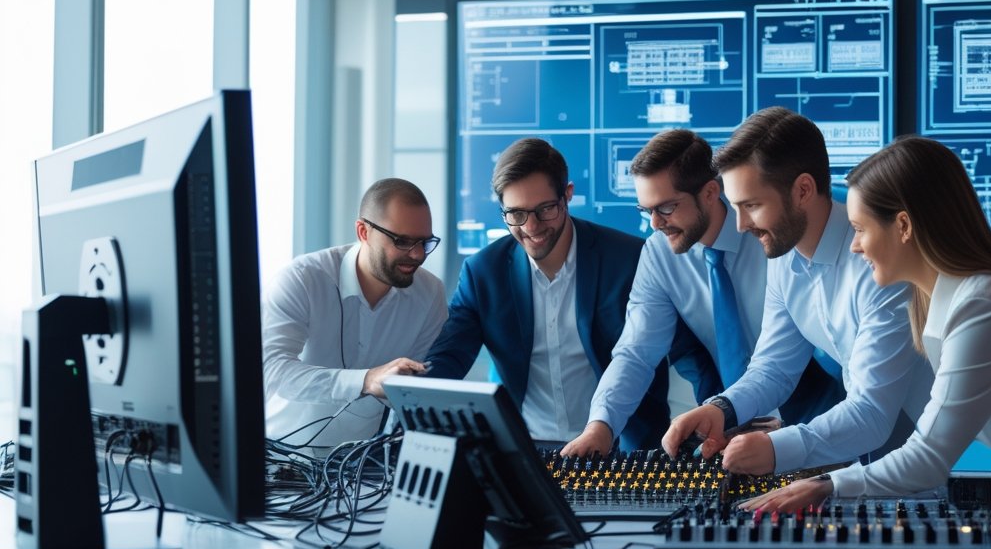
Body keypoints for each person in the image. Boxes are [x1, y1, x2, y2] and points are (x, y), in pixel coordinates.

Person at [742, 136, 991, 513]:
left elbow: (928, 457)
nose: (855, 246)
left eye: (860, 229)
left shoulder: (983, 304)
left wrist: (826, 485)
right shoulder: (945, 296)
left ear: (904, 226)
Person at [661, 107, 936, 475]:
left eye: (752, 206)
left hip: (947, 451)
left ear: (803, 190)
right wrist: (721, 409)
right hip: (883, 460)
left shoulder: (879, 261)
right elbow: (774, 367)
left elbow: (871, 412)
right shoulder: (783, 256)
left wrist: (775, 448)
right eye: (735, 207)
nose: (741, 226)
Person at [561, 129, 844, 457]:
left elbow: (804, 355)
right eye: (645, 210)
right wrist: (601, 425)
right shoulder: (659, 255)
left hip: (818, 415)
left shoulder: (772, 232)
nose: (655, 223)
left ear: (710, 192)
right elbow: (636, 353)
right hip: (731, 422)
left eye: (666, 207)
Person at [423, 137, 679, 448]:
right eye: (516, 214)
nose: (531, 227)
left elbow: (681, 346)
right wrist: (410, 394)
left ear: (567, 195)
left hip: (623, 447)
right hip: (527, 447)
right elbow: (449, 356)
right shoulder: (483, 272)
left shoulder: (629, 259)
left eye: (544, 210)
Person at [263, 178, 448, 448]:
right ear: (363, 231)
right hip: (282, 458)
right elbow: (272, 371)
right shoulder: (302, 279)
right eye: (403, 241)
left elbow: (413, 390)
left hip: (360, 469)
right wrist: (366, 380)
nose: (418, 254)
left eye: (424, 242)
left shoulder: (430, 294)